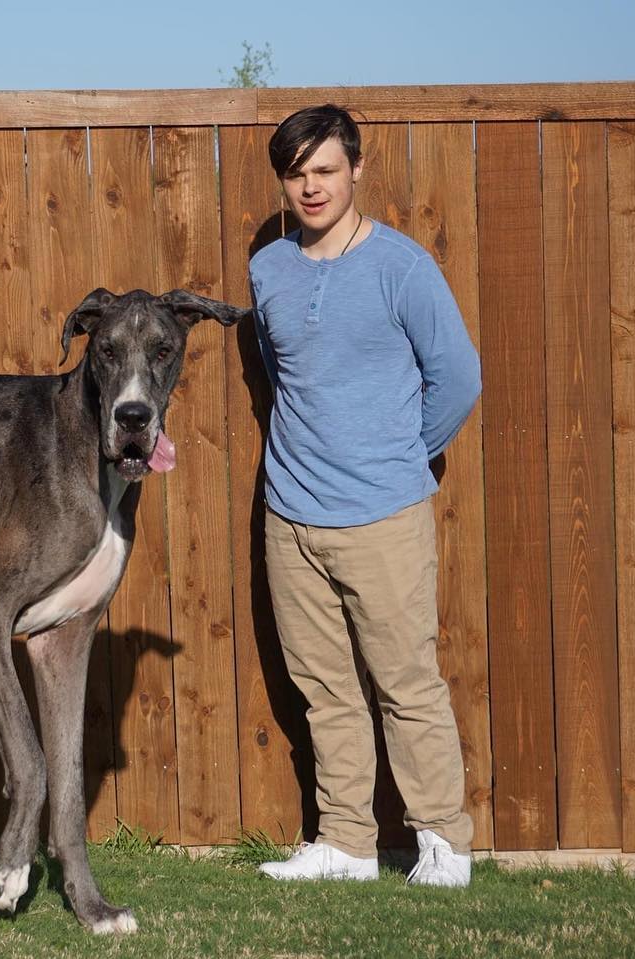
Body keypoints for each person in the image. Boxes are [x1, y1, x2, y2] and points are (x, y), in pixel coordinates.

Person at [248, 104, 480, 887]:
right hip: (290, 515)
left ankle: (444, 842)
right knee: (325, 689)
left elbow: (458, 377)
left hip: (385, 514)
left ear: (355, 169)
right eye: (296, 173)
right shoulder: (269, 270)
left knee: (406, 682)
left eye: (324, 170)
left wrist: (399, 455)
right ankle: (344, 843)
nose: (310, 187)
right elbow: (289, 384)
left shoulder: (403, 266)